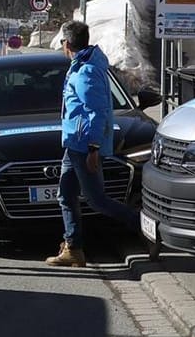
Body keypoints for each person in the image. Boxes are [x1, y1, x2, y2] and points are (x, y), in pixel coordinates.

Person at [44, 21, 140, 268]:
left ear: (66, 44)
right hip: (74, 143)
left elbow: (96, 112)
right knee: (65, 194)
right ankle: (73, 248)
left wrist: (94, 148)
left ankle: (146, 228)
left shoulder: (85, 71)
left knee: (97, 200)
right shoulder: (81, 65)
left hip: (84, 144)